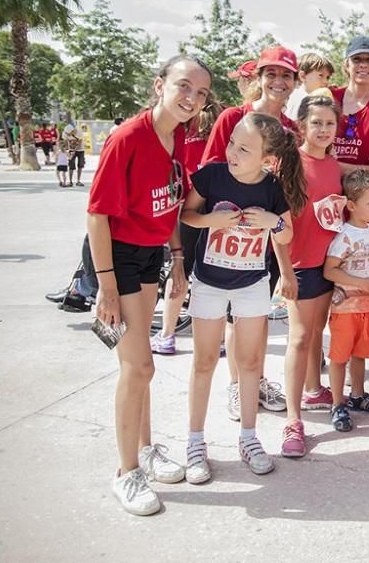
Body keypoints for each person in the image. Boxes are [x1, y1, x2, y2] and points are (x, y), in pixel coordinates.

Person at [87, 55, 211, 515]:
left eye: (200, 94)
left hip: (150, 255)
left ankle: (144, 449)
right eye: (183, 87)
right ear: (160, 85)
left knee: (145, 368)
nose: (191, 99)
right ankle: (125, 473)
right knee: (136, 367)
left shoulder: (176, 136)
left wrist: (177, 256)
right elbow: (97, 215)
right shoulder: (128, 137)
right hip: (116, 256)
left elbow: (170, 202)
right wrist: (105, 286)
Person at [180, 113, 303, 482]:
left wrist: (273, 222)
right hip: (209, 281)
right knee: (204, 362)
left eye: (244, 148)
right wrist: (209, 222)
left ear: (267, 158)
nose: (232, 151)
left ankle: (249, 439)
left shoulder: (272, 187)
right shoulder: (212, 175)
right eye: (232, 142)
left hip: (252, 284)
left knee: (250, 363)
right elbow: (186, 215)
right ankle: (195, 442)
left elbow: (285, 235)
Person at [202, 46, 299, 419]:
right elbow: (210, 170)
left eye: (286, 75)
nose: (278, 81)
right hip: (231, 233)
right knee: (234, 315)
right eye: (270, 73)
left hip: (269, 234)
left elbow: (287, 188)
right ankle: (235, 386)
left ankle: (254, 381)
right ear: (257, 78)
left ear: (294, 83)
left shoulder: (290, 131)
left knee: (257, 314)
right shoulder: (234, 117)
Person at [277, 94, 343, 457]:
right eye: (316, 123)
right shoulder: (291, 164)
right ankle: (292, 421)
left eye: (329, 123)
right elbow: (277, 223)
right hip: (299, 265)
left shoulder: (333, 165)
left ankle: (314, 389)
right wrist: (285, 271)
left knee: (319, 331)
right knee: (299, 338)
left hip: (327, 264)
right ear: (301, 126)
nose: (323, 129)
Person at [324, 169, 369, 432]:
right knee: (340, 356)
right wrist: (360, 284)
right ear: (351, 205)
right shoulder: (345, 235)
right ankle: (337, 403)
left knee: (360, 354)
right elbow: (330, 270)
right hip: (346, 307)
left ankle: (357, 395)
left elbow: (368, 257)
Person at [150, 98, 223, 355]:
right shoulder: (223, 125)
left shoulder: (181, 129)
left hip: (188, 204)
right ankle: (220, 338)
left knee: (180, 267)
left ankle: (167, 334)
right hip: (216, 203)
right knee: (217, 270)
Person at [331, 36, 369, 168]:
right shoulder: (328, 99)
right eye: (356, 59)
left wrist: (330, 166)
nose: (363, 65)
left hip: (360, 188)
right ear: (346, 65)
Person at [286, 52, 335, 122]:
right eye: (320, 75)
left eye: (327, 77)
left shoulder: (296, 94)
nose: (326, 81)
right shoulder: (304, 99)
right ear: (303, 76)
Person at [62, 120, 87, 186]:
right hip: (71, 149)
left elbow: (80, 142)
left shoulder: (79, 131)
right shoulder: (65, 133)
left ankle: (78, 181)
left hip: (80, 150)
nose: (69, 134)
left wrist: (74, 150)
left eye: (70, 133)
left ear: (73, 130)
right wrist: (67, 151)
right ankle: (70, 181)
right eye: (68, 133)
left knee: (80, 165)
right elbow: (65, 142)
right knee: (71, 165)